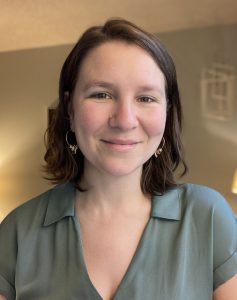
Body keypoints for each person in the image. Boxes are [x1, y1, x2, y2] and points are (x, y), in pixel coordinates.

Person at [0, 18, 236, 300]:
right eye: (101, 94)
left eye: (146, 98)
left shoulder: (208, 218)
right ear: (70, 111)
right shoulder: (17, 232)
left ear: (167, 113)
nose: (124, 120)